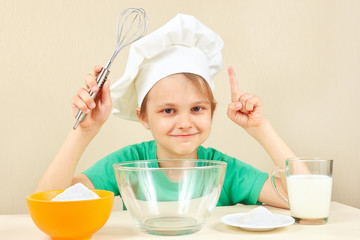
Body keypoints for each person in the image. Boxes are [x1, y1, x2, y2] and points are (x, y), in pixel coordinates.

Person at [36, 14, 293, 208]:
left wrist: (261, 129)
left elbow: (306, 202)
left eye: (197, 108)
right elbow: (49, 202)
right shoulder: (128, 166)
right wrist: (84, 132)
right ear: (143, 117)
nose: (184, 122)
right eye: (168, 110)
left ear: (212, 112)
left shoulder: (224, 171)